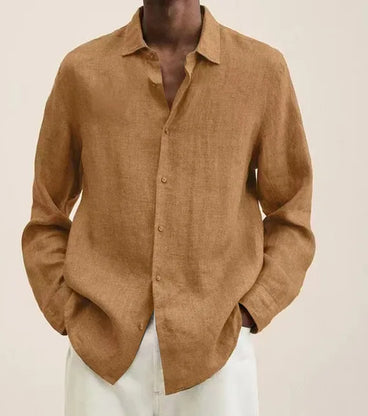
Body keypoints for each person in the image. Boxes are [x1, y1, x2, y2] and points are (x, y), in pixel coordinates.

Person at [21, 1, 316, 415]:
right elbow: (46, 215)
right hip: (101, 358)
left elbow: (291, 214)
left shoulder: (262, 71)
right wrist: (69, 313)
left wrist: (251, 310)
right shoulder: (82, 71)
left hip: (216, 355)